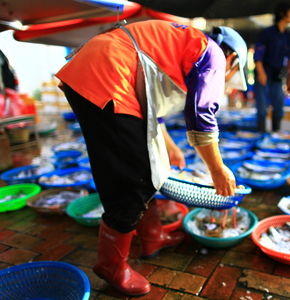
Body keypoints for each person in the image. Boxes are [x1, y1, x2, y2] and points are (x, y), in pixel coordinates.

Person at [55, 20, 248, 296]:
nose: (225, 83)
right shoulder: (213, 53)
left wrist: (169, 146)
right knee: (131, 177)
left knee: (151, 165)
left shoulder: (185, 46)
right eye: (229, 77)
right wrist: (218, 169)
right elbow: (201, 113)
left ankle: (152, 236)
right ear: (231, 59)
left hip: (99, 67)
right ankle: (110, 264)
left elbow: (150, 105)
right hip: (109, 72)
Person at [253, 2, 290, 132]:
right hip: (264, 73)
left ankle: (276, 135)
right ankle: (261, 135)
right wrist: (261, 73)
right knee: (262, 107)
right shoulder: (267, 33)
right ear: (282, 14)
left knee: (278, 106)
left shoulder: (286, 35)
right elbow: (258, 55)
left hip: (277, 75)